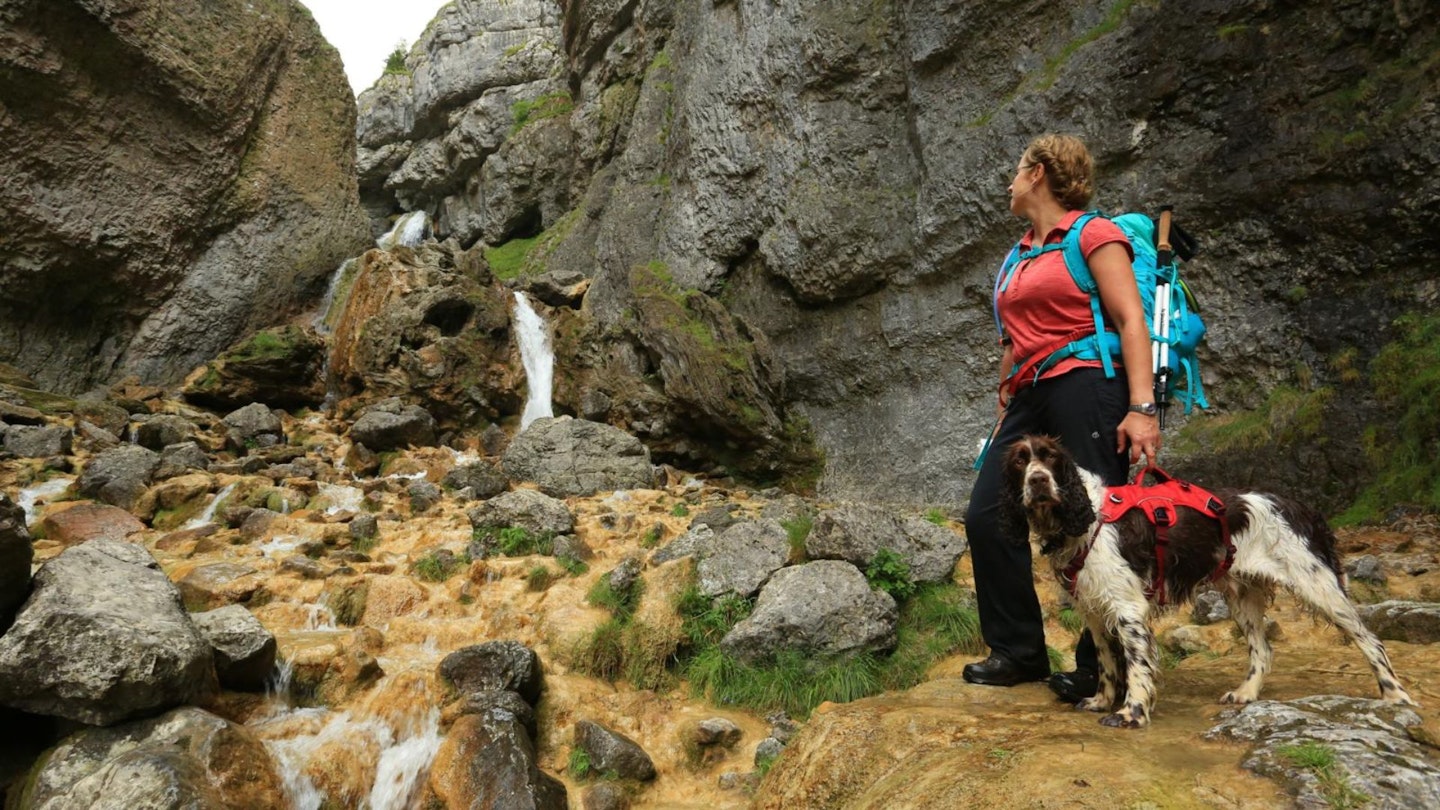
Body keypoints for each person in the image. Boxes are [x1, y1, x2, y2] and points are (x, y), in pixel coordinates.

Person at [962, 133, 1161, 702]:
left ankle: (1099, 664)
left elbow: (1130, 320)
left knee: (1095, 522)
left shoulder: (1094, 235)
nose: (1010, 181)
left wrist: (1141, 408)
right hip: (1028, 393)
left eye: (1018, 169)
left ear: (1041, 173)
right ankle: (1018, 651)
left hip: (1087, 382)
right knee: (988, 515)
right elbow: (1013, 338)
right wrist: (1004, 398)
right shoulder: (1018, 253)